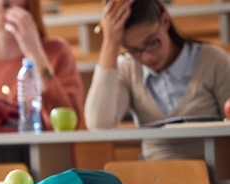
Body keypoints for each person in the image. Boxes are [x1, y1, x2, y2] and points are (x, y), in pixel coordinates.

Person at [85, 0, 230, 160]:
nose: (147, 56)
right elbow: (98, 123)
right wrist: (110, 43)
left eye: (152, 42)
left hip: (213, 178)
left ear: (165, 21)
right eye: (134, 50)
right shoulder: (128, 67)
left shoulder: (213, 60)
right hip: (154, 177)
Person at [0, 0, 84, 133]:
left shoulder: (57, 52)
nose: (16, 16)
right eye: (5, 5)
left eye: (25, 8)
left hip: (48, 154)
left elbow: (70, 123)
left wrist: (35, 54)